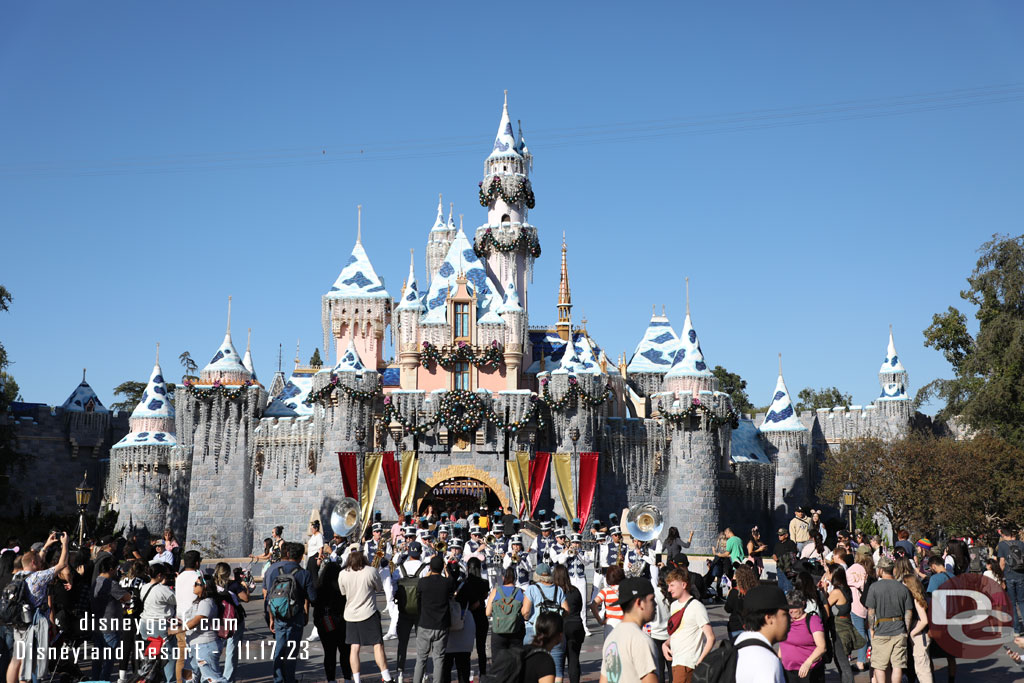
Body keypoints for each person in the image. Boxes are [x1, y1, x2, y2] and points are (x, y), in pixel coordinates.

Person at [265, 542, 317, 683]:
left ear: (288, 554)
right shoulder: (304, 574)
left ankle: (278, 679)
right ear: (300, 557)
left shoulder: (276, 571)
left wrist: (271, 618)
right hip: (296, 616)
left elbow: (270, 597)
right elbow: (312, 597)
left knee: (279, 649)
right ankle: (289, 679)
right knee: (292, 650)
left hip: (278, 616)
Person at [338, 549, 393, 682]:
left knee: (354, 647)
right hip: (369, 612)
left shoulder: (342, 573)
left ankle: (356, 679)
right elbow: (379, 588)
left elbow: (343, 592)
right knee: (377, 645)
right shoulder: (370, 571)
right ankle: (386, 676)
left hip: (351, 614)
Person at [599, 577, 659, 683]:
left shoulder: (611, 637)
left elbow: (604, 680)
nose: (655, 604)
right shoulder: (641, 640)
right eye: (652, 599)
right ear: (639, 603)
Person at [172, 572, 228, 683]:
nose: (193, 586)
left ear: (205, 586)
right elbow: (191, 619)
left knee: (214, 679)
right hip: (195, 646)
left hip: (205, 646)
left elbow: (197, 620)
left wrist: (177, 630)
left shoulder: (207, 602)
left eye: (196, 584)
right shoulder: (198, 602)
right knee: (188, 677)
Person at [866, 557, 913, 683]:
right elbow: (908, 611)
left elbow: (871, 611)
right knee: (898, 665)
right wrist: (906, 630)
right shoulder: (902, 587)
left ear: (881, 570)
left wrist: (871, 629)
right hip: (899, 628)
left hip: (881, 629)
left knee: (880, 665)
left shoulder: (874, 587)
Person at [663, 567, 714, 683]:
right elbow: (678, 632)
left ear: (684, 585)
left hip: (687, 664)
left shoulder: (696, 606)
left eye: (672, 585)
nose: (669, 589)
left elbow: (711, 637)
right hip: (676, 662)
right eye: (668, 585)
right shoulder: (674, 606)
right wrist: (665, 644)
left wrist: (699, 661)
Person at [734, 585, 790, 683]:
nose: (790, 619)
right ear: (769, 618)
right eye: (785, 614)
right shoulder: (767, 662)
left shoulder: (736, 645)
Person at [522, 564, 568, 682]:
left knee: (532, 667)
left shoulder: (532, 588)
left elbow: (526, 611)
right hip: (554, 630)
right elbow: (567, 610)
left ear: (536, 575)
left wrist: (526, 618)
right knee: (557, 669)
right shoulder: (559, 589)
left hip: (534, 630)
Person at [413, 555, 455, 683]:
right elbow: (452, 582)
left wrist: (429, 572)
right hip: (441, 625)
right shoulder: (446, 583)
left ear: (430, 567)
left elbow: (418, 590)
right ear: (442, 568)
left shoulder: (423, 582)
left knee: (421, 659)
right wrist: (447, 570)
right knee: (439, 659)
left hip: (425, 624)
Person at [137, 562, 177, 683]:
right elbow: (176, 600)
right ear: (159, 575)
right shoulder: (164, 590)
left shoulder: (143, 587)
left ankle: (150, 678)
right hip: (159, 625)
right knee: (168, 656)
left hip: (144, 624)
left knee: (151, 656)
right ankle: (168, 680)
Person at [393, 541, 427, 681]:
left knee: (402, 642)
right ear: (420, 553)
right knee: (422, 644)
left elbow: (393, 588)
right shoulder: (425, 568)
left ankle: (399, 673)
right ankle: (423, 673)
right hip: (421, 611)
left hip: (404, 610)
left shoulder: (400, 568)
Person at [314, 561, 352, 683]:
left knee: (329, 653)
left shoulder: (320, 588)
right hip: (342, 622)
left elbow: (315, 605)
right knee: (345, 653)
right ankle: (347, 677)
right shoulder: (342, 588)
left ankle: (331, 679)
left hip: (325, 622)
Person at [780, 589, 826, 682]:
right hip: (787, 671)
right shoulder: (785, 621)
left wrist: (808, 663)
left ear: (802, 604)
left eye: (794, 607)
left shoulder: (812, 620)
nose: (791, 611)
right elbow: (782, 645)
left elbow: (822, 647)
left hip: (808, 671)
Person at [550, 564, 584, 683]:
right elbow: (580, 607)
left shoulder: (554, 591)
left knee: (558, 661)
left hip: (560, 627)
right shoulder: (575, 590)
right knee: (574, 660)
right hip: (576, 625)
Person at [213, 562, 246, 681]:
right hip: (233, 621)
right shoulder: (233, 585)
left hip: (217, 620)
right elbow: (246, 598)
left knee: (214, 649)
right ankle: (228, 678)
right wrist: (242, 584)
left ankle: (214, 676)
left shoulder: (211, 585)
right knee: (231, 650)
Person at [486, 568, 528, 660]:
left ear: (503, 577)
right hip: (516, 631)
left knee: (498, 663)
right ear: (515, 578)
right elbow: (526, 614)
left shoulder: (496, 591)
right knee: (516, 662)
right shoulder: (521, 592)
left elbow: (488, 613)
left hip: (498, 631)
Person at [458, 557, 490, 678]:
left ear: (468, 568)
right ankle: (483, 673)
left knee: (466, 648)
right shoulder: (484, 582)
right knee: (481, 648)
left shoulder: (465, 583)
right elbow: (485, 595)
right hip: (481, 616)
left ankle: (465, 674)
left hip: (468, 616)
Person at [174, 549, 203, 683]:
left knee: (182, 654)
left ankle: (181, 681)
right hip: (193, 617)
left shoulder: (179, 576)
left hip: (179, 617)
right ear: (197, 563)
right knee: (195, 653)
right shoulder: (198, 575)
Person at [847, 548, 873, 673]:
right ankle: (874, 658)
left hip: (856, 604)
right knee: (870, 632)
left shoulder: (853, 568)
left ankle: (861, 662)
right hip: (869, 605)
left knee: (860, 633)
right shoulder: (871, 569)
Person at [903, 575, 933, 683]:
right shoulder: (922, 596)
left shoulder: (916, 599)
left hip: (920, 636)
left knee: (922, 668)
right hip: (924, 635)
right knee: (923, 665)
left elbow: (924, 620)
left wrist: (912, 633)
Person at [997, 527, 1024, 636]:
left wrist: (1000, 576)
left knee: (1012, 603)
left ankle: (1017, 630)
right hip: (1021, 574)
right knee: (1022, 602)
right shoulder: (1021, 543)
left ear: (1003, 535)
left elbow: (1002, 563)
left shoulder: (1002, 545)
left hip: (1009, 575)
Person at [443, 592, 474, 683]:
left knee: (445, 668)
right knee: (464, 668)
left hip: (446, 626)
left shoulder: (442, 583)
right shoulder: (469, 584)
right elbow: (476, 603)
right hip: (465, 622)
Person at [591, 565, 625, 639]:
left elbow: (593, 605)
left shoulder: (606, 591)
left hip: (610, 622)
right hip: (624, 623)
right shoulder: (627, 590)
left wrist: (600, 620)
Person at [725, 565, 758, 640]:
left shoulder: (734, 592)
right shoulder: (755, 591)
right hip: (752, 626)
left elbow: (728, 608)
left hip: (736, 627)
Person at [773, 528, 799, 593]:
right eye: (779, 535)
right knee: (780, 586)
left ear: (786, 535)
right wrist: (774, 557)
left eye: (781, 535)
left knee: (788, 586)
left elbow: (793, 555)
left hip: (788, 568)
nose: (779, 536)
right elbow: (774, 554)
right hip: (779, 567)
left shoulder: (791, 543)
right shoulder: (777, 544)